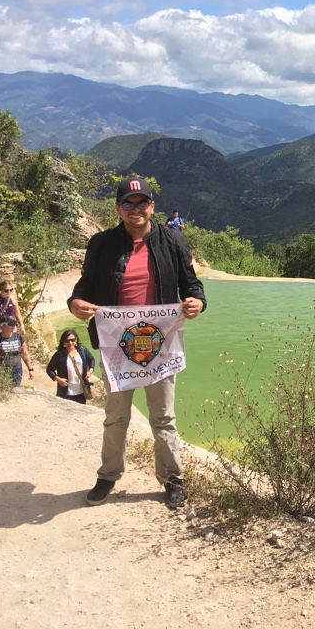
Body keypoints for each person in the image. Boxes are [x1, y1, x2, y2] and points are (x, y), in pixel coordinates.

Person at [69, 177, 207, 509]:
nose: (136, 209)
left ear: (152, 207)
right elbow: (85, 285)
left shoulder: (173, 241)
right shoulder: (101, 244)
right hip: (117, 346)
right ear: (118, 208)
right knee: (116, 416)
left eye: (142, 202)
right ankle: (108, 475)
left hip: (160, 345)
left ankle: (172, 479)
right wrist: (76, 303)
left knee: (163, 417)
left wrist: (197, 302)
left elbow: (191, 284)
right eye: (128, 203)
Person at [45, 329, 96, 404]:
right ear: (63, 343)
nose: (70, 343)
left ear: (76, 340)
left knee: (80, 412)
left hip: (81, 390)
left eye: (72, 340)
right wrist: (59, 379)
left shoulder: (82, 350)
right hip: (66, 391)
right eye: (67, 341)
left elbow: (91, 359)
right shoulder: (59, 355)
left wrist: (90, 371)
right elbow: (49, 369)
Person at [0, 316, 35, 385]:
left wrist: (30, 369)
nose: (13, 326)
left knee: (16, 389)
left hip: (17, 370)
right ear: (3, 326)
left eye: (14, 324)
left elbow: (25, 354)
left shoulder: (19, 337)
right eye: (11, 325)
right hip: (2, 370)